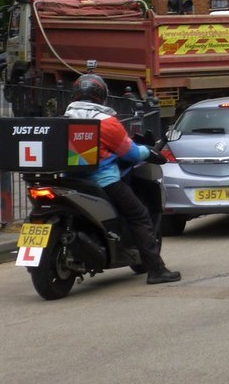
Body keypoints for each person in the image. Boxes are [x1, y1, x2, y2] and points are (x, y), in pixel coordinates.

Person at [64, 74, 181, 284]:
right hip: (102, 181)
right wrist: (148, 151)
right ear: (102, 96)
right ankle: (156, 270)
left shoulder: (64, 119)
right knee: (139, 215)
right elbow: (131, 154)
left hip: (69, 181)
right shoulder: (106, 123)